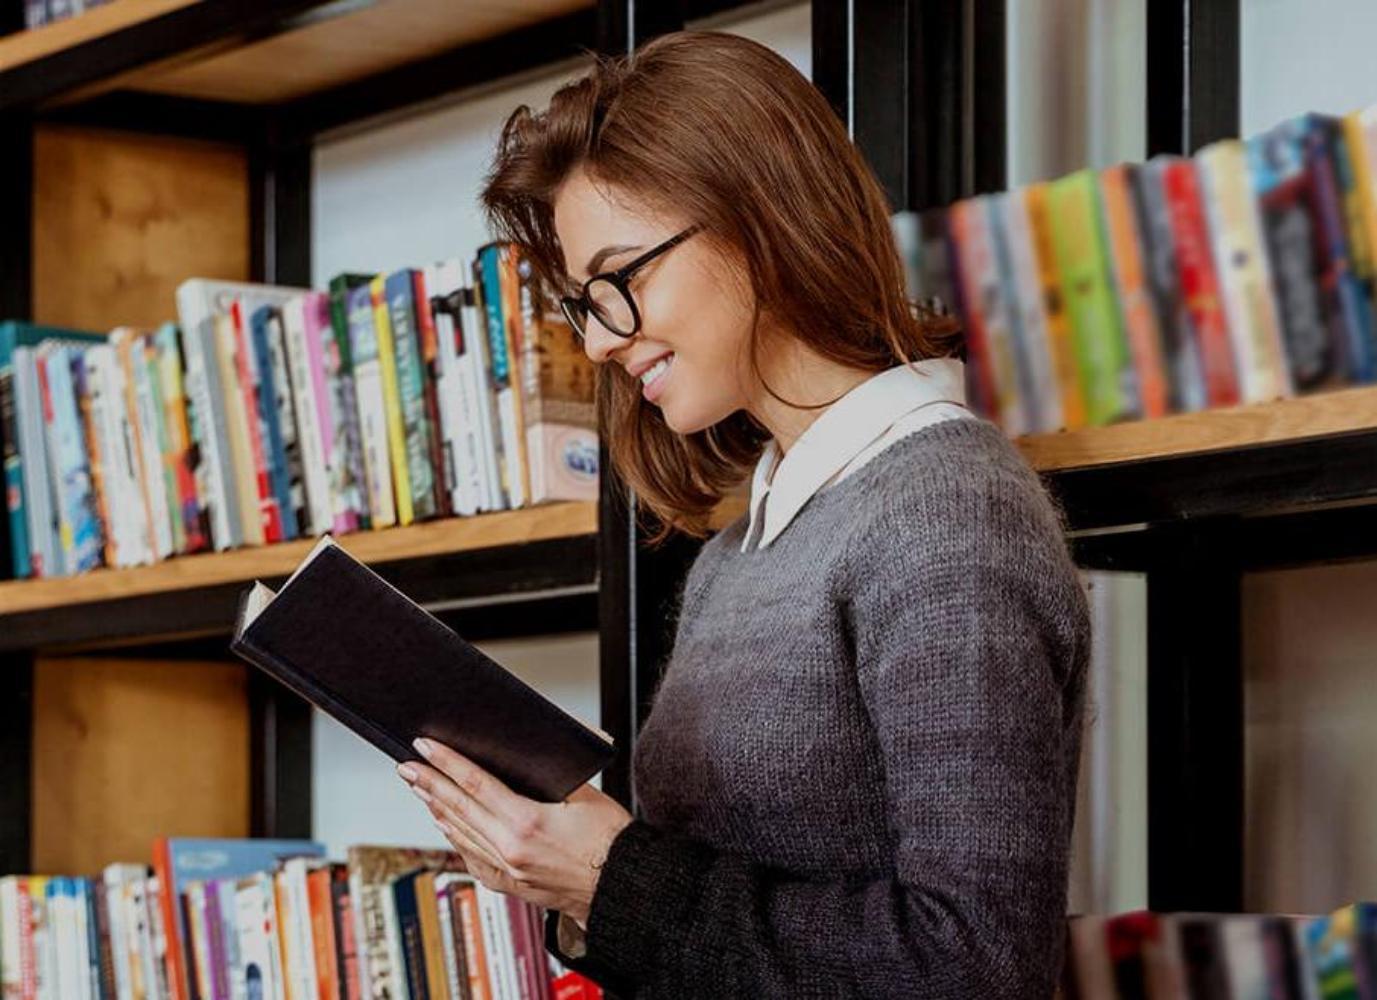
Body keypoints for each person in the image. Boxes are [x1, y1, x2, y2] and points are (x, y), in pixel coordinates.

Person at [395, 29, 1090, 999]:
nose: (597, 340)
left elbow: (974, 962)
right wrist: (569, 871)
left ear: (761, 221)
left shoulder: (950, 518)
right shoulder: (742, 548)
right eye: (581, 303)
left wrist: (612, 875)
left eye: (620, 281)